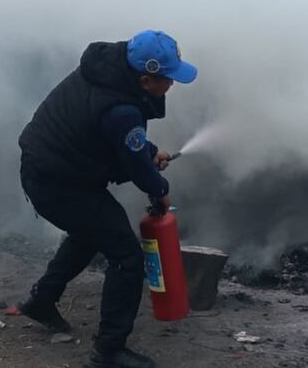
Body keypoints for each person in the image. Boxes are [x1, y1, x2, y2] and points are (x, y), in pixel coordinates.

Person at [17, 30, 197, 368]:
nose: (172, 85)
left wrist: (151, 151)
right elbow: (132, 157)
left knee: (91, 233)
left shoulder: (109, 72)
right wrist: (159, 189)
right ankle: (109, 351)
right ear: (146, 79)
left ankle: (41, 300)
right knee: (127, 257)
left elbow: (115, 139)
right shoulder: (121, 108)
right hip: (58, 183)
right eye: (168, 79)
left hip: (51, 172)